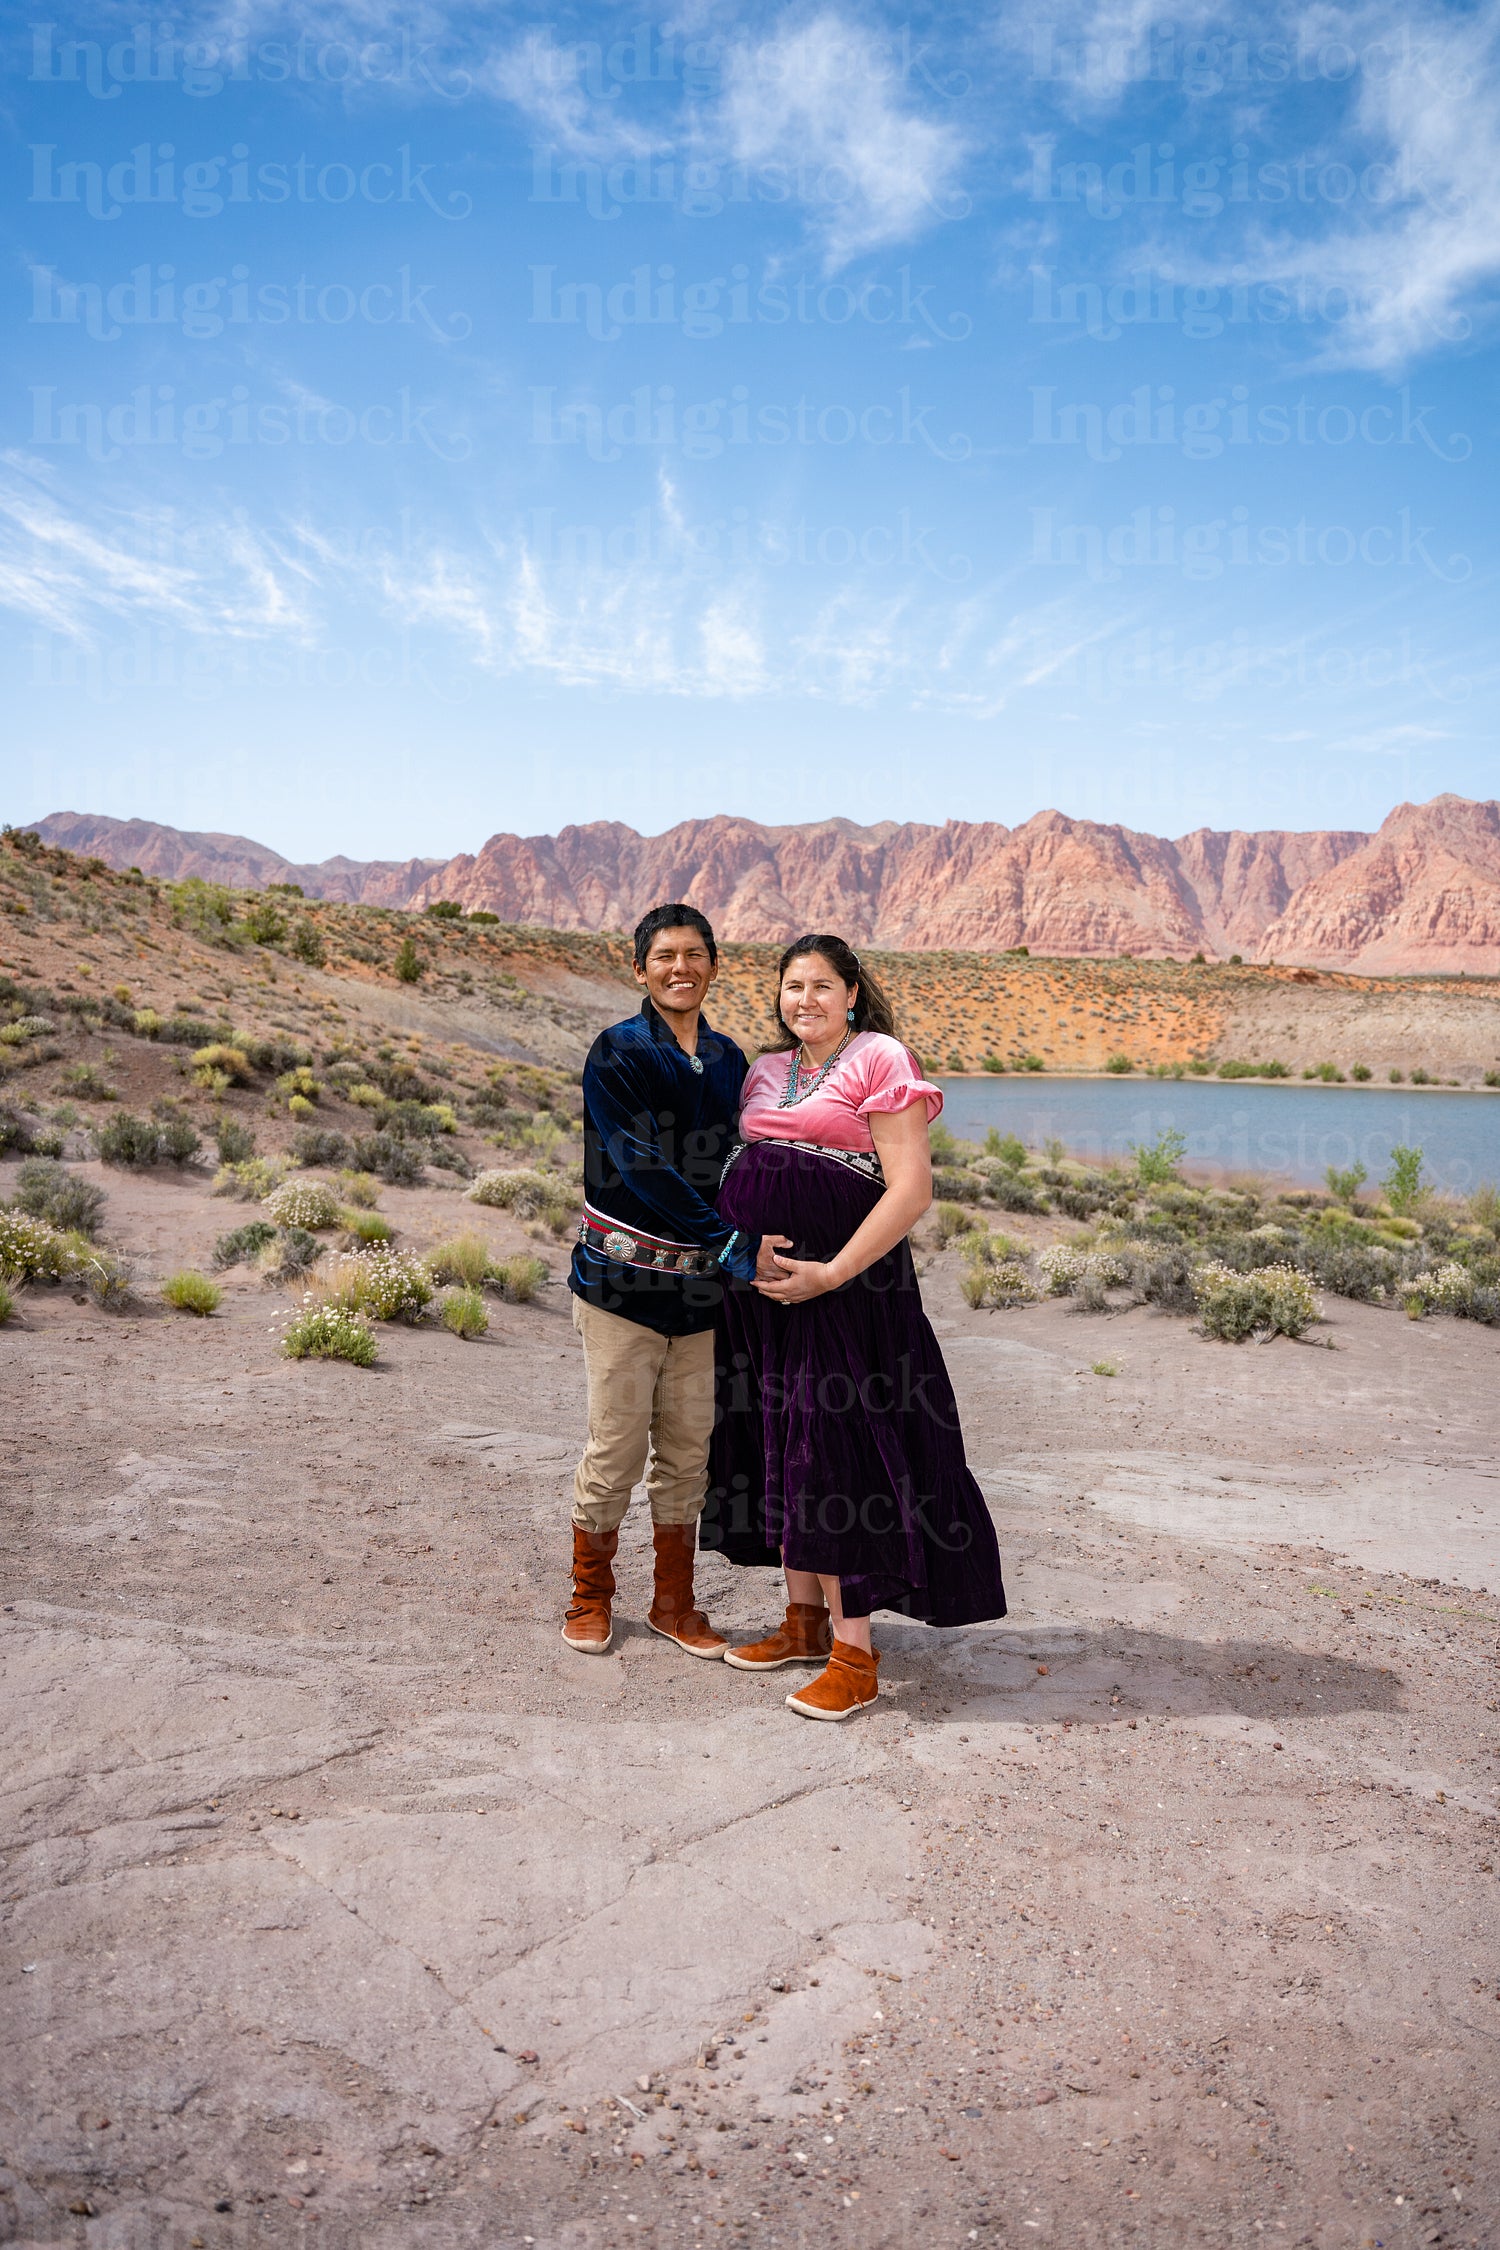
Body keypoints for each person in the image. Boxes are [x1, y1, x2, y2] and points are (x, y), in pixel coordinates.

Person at [701, 933, 1006, 1720]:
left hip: (848, 1295)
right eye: (792, 986)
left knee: (835, 1459)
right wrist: (746, 1251)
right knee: (778, 1443)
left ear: (852, 992)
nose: (805, 1000)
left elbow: (909, 1191)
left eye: (821, 986)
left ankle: (854, 1656)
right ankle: (802, 1623)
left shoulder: (880, 1058)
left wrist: (831, 1273)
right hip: (763, 1298)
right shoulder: (766, 1072)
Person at [565, 904, 790, 1659]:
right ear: (640, 969)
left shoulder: (729, 1062)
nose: (680, 967)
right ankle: (590, 1596)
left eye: (695, 954)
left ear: (714, 966)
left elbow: (751, 1156)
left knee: (689, 1452)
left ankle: (674, 1604)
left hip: (700, 1298)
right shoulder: (617, 1053)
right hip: (620, 1291)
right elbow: (640, 1167)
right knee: (616, 1449)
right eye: (664, 956)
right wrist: (731, 1238)